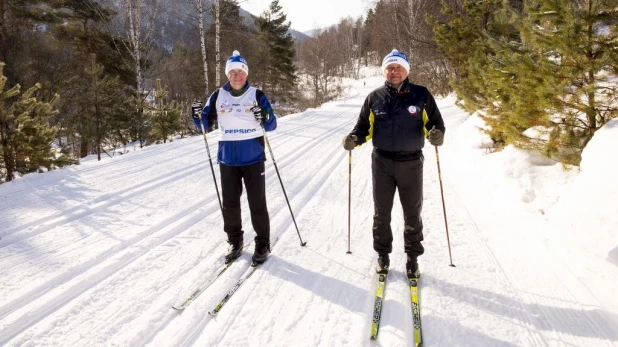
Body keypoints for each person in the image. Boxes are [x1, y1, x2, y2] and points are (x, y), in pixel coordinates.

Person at [342, 49, 445, 278]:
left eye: (398, 67)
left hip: (411, 162)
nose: (394, 71)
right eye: (390, 68)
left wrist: (437, 134)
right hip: (382, 162)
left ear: (406, 70)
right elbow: (363, 129)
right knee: (382, 213)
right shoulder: (374, 98)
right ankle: (383, 255)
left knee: (412, 213)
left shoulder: (421, 94)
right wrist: (353, 139)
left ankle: (412, 258)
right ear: (384, 72)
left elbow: (435, 124)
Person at [194, 50, 277, 265]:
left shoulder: (257, 95)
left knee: (257, 203)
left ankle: (262, 243)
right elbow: (205, 123)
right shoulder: (217, 95)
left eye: (240, 71)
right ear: (227, 74)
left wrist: (264, 116)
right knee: (230, 203)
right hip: (228, 159)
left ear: (246, 73)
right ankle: (235, 241)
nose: (236, 75)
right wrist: (196, 116)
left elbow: (272, 124)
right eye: (232, 72)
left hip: (253, 157)